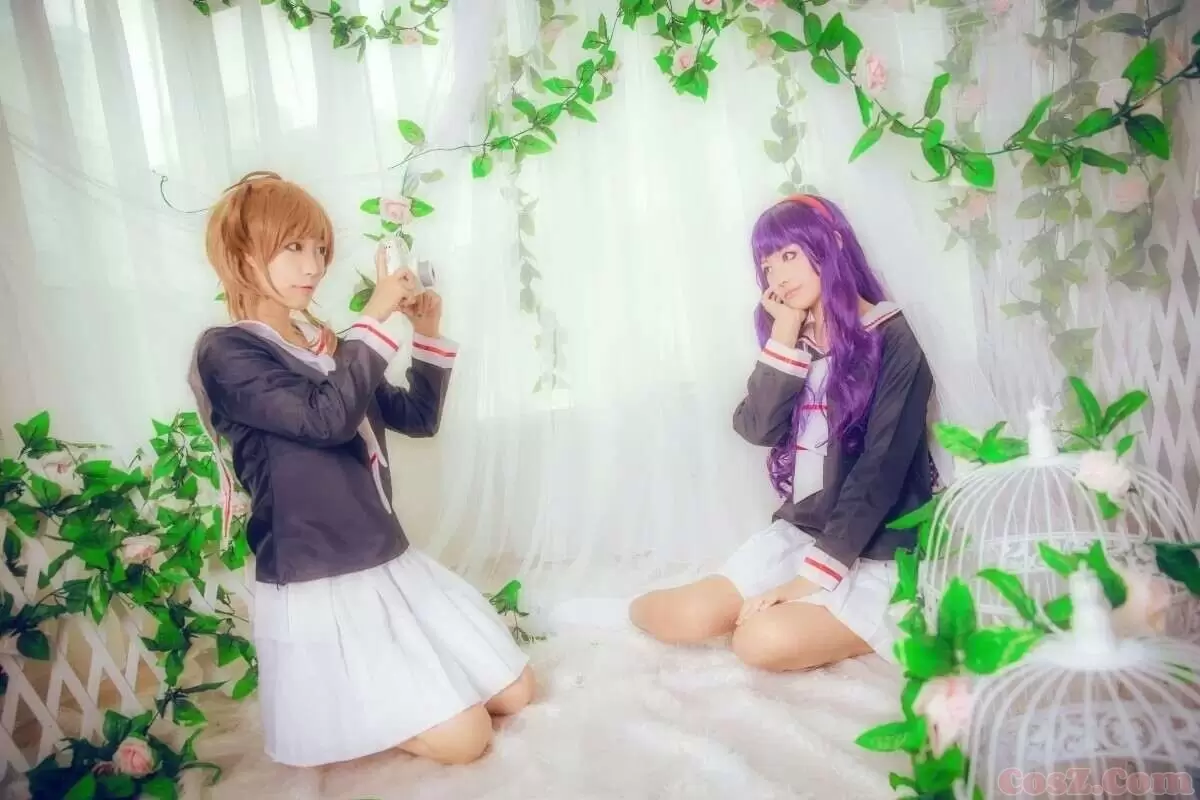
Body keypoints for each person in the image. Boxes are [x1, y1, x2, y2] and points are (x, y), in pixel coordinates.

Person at [187, 171, 535, 768]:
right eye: (293, 247)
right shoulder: (226, 351)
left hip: (384, 554)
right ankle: (340, 714)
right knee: (466, 740)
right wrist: (373, 320)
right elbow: (325, 420)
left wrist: (424, 333)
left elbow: (417, 417)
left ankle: (410, 696)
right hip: (321, 571)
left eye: (320, 248)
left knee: (518, 692)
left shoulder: (325, 345)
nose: (313, 266)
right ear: (241, 254)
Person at [629, 193, 934, 672]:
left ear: (832, 243)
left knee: (758, 641)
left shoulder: (893, 337)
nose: (778, 277)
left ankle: (869, 620)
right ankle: (622, 607)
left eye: (789, 255)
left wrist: (806, 582)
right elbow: (757, 428)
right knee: (688, 617)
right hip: (804, 531)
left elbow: (880, 471)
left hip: (877, 549)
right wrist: (785, 332)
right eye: (768, 266)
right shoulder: (800, 338)